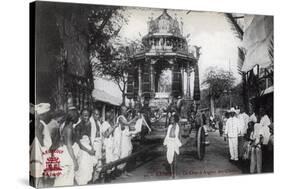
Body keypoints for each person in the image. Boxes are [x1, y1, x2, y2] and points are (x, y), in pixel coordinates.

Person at [54, 107, 80, 187]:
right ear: (74, 118)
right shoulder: (69, 129)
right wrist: (75, 161)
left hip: (65, 153)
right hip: (67, 156)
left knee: (65, 179)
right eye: (77, 116)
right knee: (65, 179)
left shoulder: (65, 126)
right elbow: (69, 145)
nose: (78, 118)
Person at [30, 103, 52, 188]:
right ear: (44, 114)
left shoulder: (39, 123)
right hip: (39, 150)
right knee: (37, 175)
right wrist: (44, 149)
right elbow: (38, 135)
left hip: (37, 149)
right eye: (48, 114)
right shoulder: (39, 124)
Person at [74, 109, 96, 185]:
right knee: (82, 169)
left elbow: (89, 137)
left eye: (88, 116)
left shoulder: (88, 125)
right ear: (81, 116)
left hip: (88, 149)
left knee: (89, 169)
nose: (86, 117)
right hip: (82, 150)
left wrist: (92, 148)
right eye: (84, 115)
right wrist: (88, 151)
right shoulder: (78, 127)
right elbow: (78, 143)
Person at [116, 105, 139, 177]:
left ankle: (125, 171)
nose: (125, 111)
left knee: (128, 153)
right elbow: (127, 124)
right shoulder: (120, 118)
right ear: (121, 111)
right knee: (124, 155)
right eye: (124, 110)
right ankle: (120, 172)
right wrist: (134, 119)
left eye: (126, 110)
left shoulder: (125, 118)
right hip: (123, 140)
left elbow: (128, 127)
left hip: (127, 139)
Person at [163, 114, 182, 179]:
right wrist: (166, 143)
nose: (171, 120)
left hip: (175, 143)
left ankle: (175, 174)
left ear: (175, 120)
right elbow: (168, 135)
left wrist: (178, 143)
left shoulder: (177, 126)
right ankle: (171, 175)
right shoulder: (170, 126)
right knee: (170, 159)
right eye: (170, 119)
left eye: (172, 119)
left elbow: (176, 136)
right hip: (169, 143)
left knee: (175, 160)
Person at [89, 108, 103, 182]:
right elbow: (90, 136)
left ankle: (95, 179)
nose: (97, 116)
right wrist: (91, 147)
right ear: (92, 114)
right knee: (93, 163)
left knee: (99, 163)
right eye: (95, 114)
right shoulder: (90, 122)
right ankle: (91, 180)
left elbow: (101, 134)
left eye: (98, 114)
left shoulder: (98, 122)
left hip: (99, 144)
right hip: (93, 144)